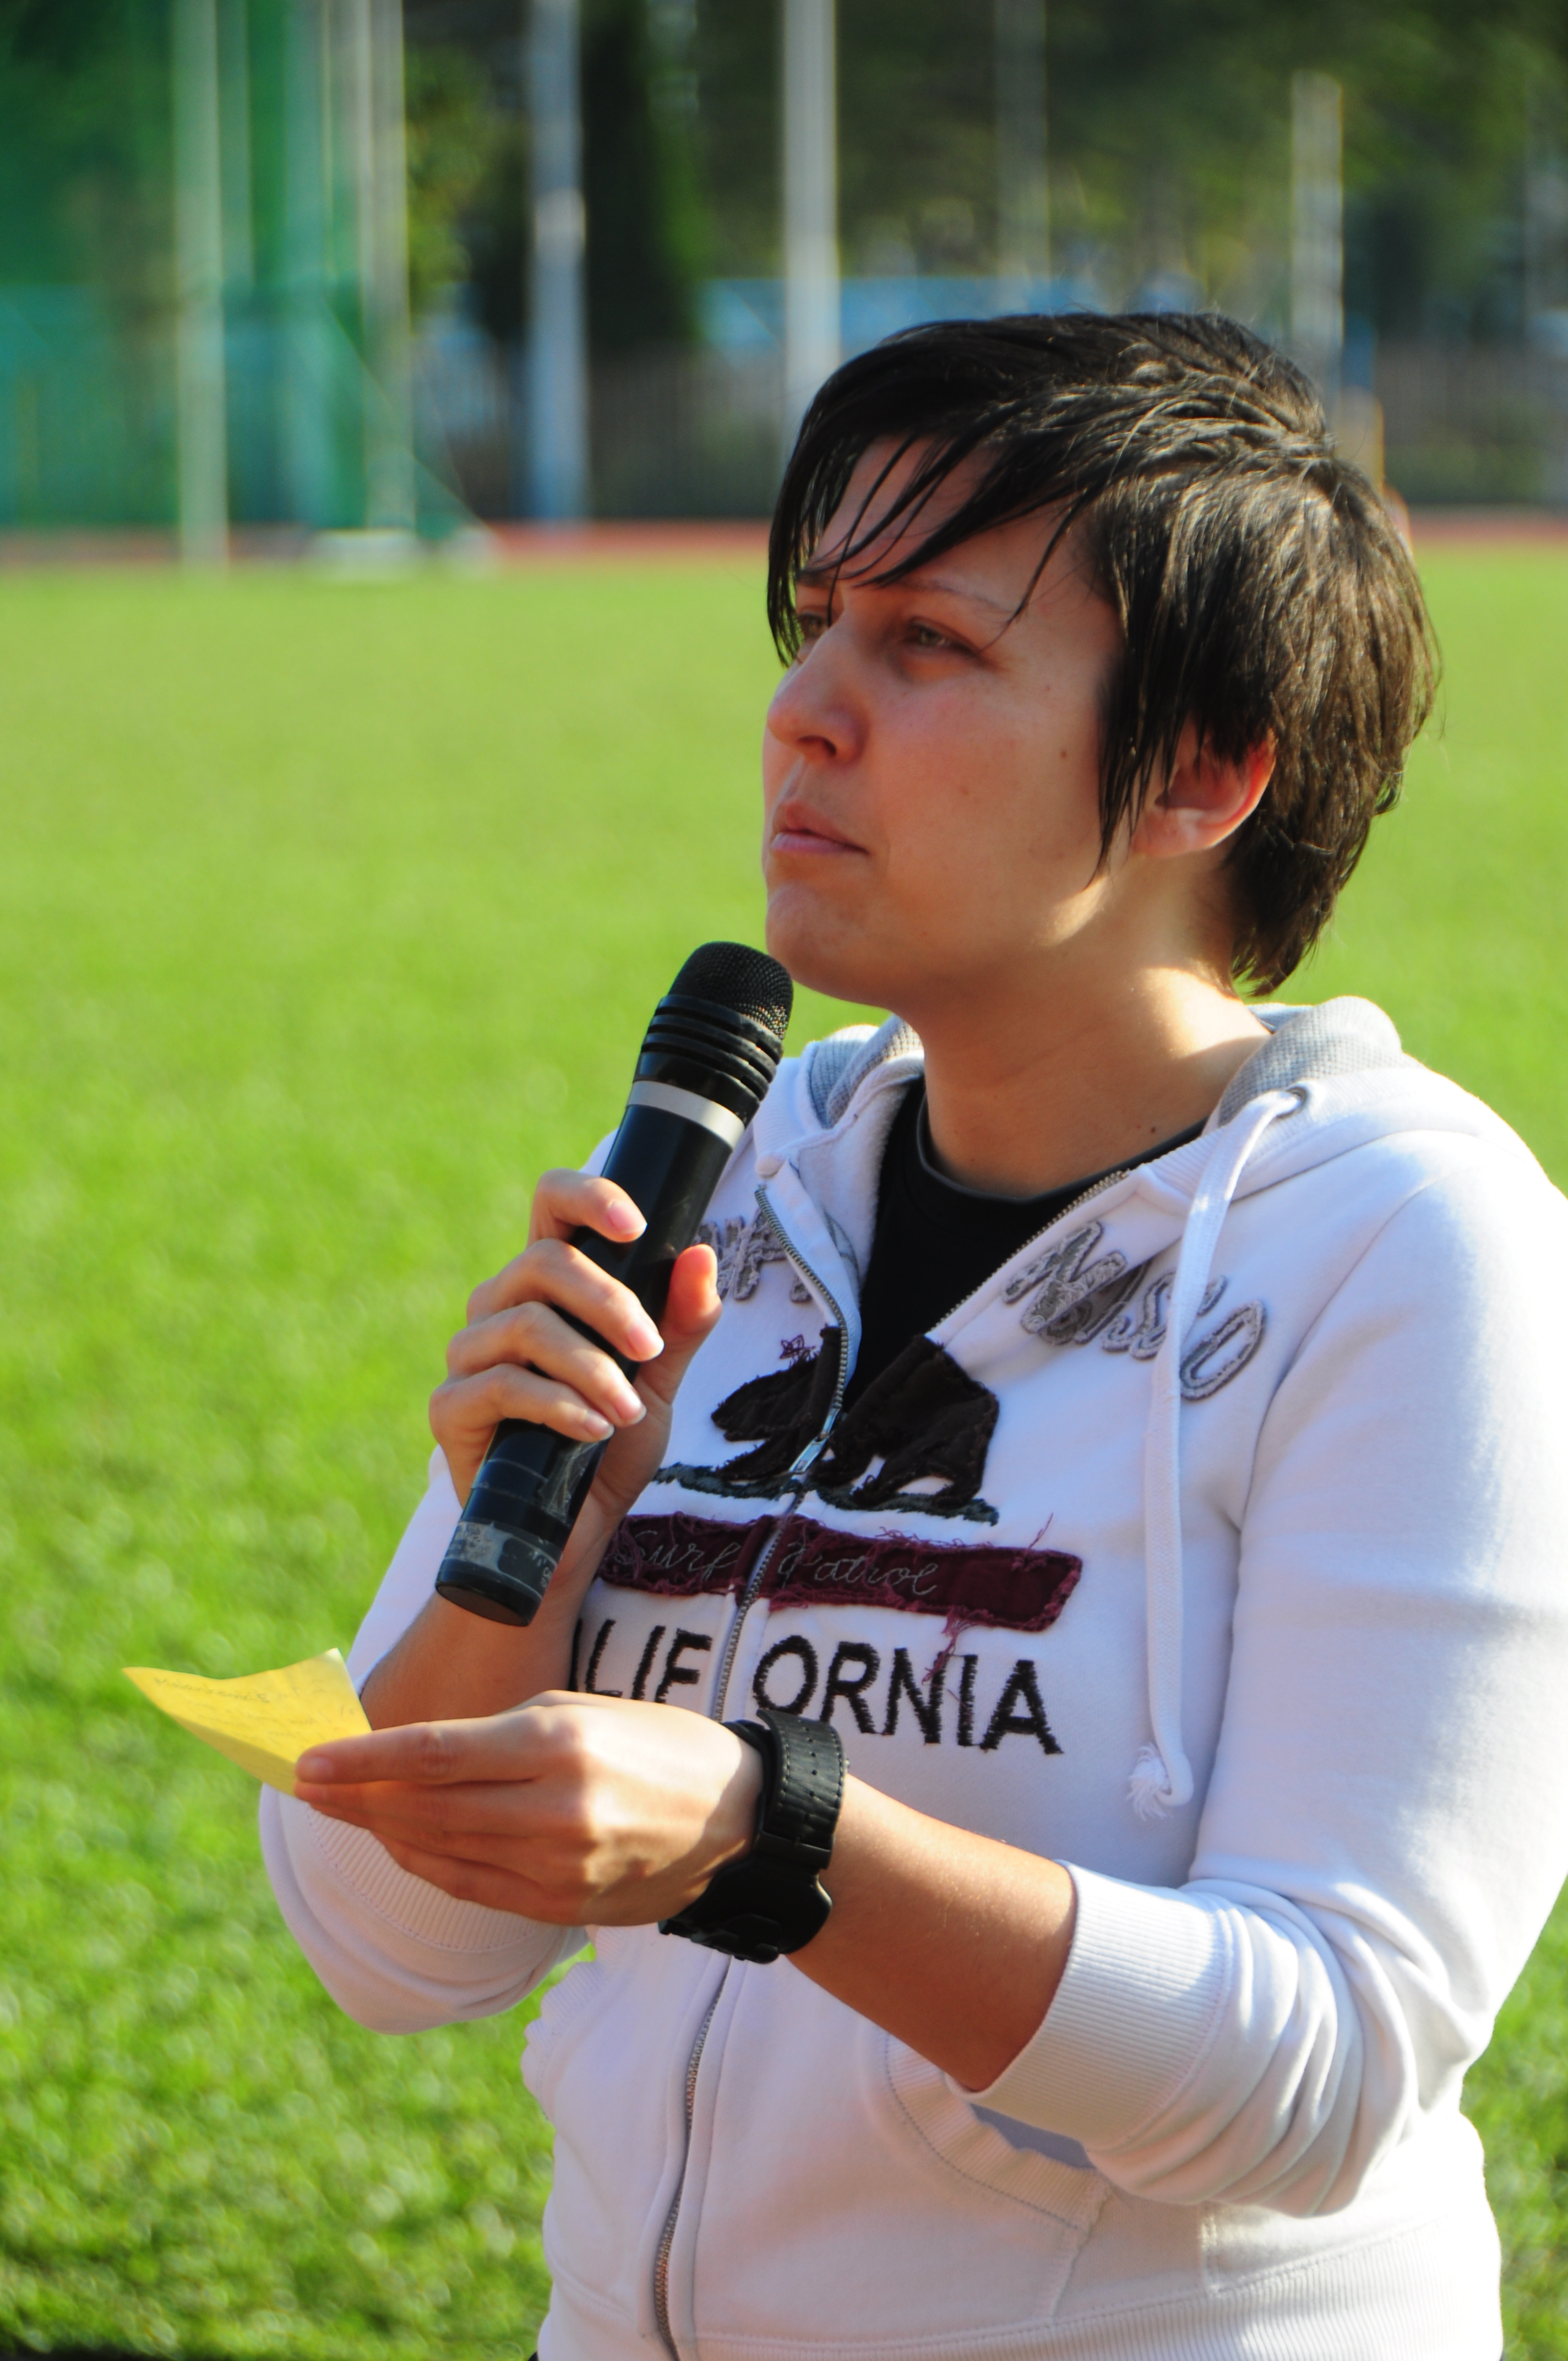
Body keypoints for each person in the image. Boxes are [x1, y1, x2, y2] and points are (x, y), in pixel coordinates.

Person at [260, 313, 1568, 2360]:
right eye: (814, 628)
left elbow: (1321, 2071)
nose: (804, 712)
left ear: (1206, 768)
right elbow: (389, 1951)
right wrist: (525, 1553)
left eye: (929, 645)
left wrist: (766, 1837)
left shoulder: (1410, 1244)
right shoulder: (726, 1181)